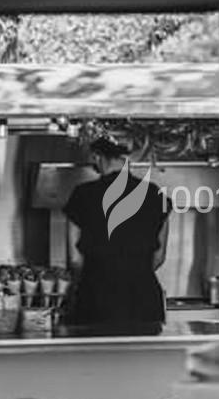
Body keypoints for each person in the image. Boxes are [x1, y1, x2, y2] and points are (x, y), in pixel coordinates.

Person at [62, 135, 170, 330]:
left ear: (97, 156)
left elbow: (75, 259)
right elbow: (160, 256)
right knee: (144, 358)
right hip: (144, 300)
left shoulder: (82, 195)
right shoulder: (155, 195)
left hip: (95, 298)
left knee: (99, 358)